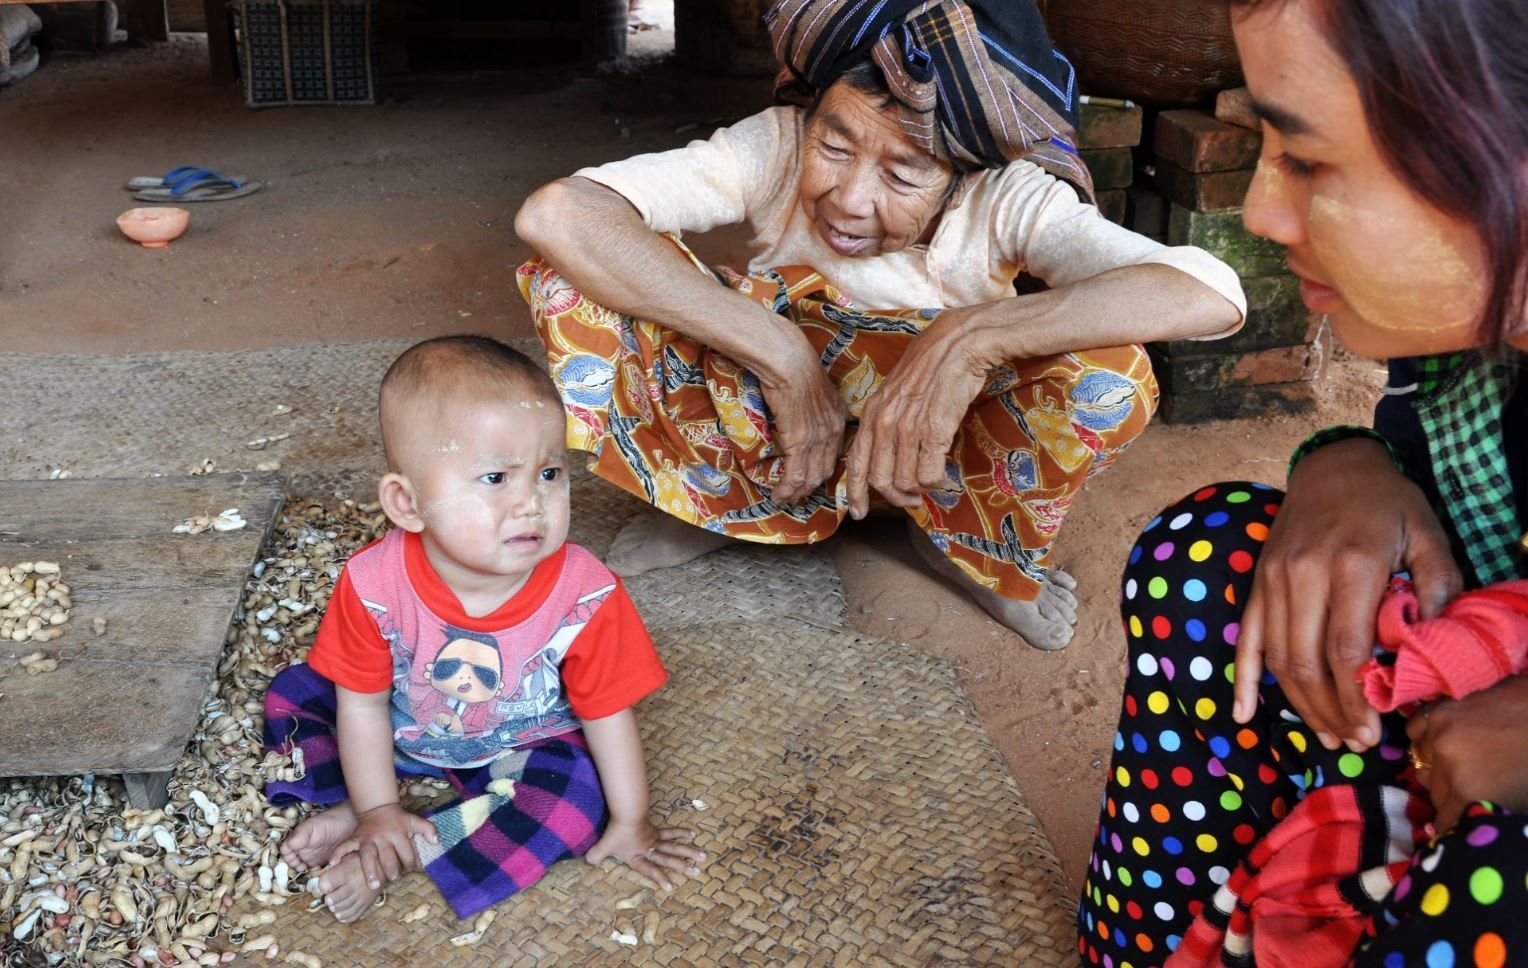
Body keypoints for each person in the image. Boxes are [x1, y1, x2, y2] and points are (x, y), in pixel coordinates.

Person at [514, 0, 1247, 652]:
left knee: (1109, 375)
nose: (849, 199)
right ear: (813, 117)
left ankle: (966, 544)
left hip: (930, 456)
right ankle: (705, 499)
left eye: (902, 175)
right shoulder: (775, 142)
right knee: (569, 278)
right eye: (834, 147)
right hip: (774, 427)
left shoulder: (1010, 196)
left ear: (964, 171)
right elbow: (560, 215)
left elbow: (1210, 294)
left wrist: (969, 339)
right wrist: (778, 354)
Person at [1078, 0, 1527, 963]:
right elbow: (1412, 454)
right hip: (1453, 700)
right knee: (1206, 566)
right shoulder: (1478, 366)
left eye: (1309, 161)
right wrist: (1348, 460)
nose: (1261, 213)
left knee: (1498, 885)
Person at [260, 336, 706, 924]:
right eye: (496, 478)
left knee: (576, 801)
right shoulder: (372, 585)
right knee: (296, 689)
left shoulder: (585, 592)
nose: (531, 504)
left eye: (549, 473)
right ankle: (360, 811)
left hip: (519, 745)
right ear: (408, 502)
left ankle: (411, 848)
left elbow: (606, 714)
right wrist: (376, 808)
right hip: (399, 728)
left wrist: (631, 823)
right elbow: (363, 708)